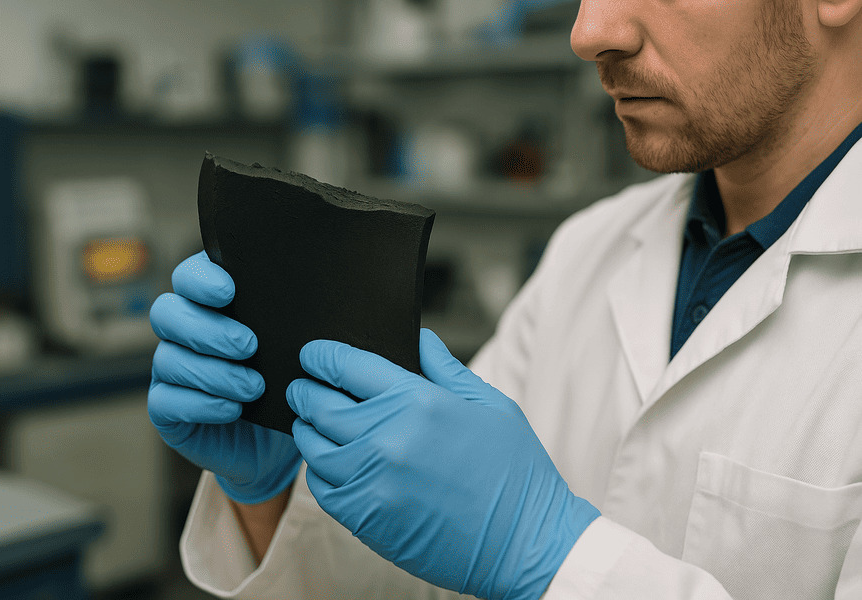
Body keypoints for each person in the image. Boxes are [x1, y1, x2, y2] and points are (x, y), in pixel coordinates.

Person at [147, 0, 862, 597]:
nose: (591, 32)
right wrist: (273, 493)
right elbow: (431, 569)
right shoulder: (589, 247)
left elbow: (510, 550)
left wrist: (552, 556)